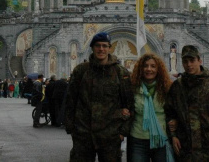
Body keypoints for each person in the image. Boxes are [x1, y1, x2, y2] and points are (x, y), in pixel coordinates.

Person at [65, 32, 133, 161]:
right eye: (97, 46)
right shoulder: (81, 71)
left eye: (104, 46)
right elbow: (70, 100)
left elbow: (129, 104)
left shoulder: (120, 72)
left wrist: (123, 132)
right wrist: (71, 128)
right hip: (83, 134)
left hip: (110, 135)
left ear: (109, 48)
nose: (101, 49)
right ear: (92, 48)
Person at [165, 45, 209, 161]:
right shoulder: (177, 87)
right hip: (185, 150)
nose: (189, 65)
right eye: (185, 61)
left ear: (199, 60)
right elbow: (169, 113)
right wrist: (173, 136)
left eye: (192, 60)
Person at [127, 53, 174, 162]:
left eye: (153, 66)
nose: (149, 69)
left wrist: (174, 121)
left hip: (160, 139)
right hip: (138, 139)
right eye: (145, 66)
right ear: (140, 69)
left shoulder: (167, 89)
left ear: (158, 69)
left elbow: (173, 111)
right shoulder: (133, 88)